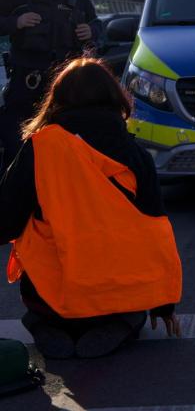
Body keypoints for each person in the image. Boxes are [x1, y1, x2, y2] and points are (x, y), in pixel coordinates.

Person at [0, 57, 182, 359]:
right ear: (115, 98)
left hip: (52, 293)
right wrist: (163, 304)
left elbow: (7, 218)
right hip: (118, 290)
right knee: (128, 304)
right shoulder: (134, 154)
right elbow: (156, 233)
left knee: (38, 239)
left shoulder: (41, 147)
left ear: (56, 101)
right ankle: (119, 324)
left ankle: (49, 326)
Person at [0, 0, 101, 170]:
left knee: (70, 147)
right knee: (20, 147)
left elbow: (97, 24)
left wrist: (92, 31)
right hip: (27, 84)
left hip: (67, 86)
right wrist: (16, 22)